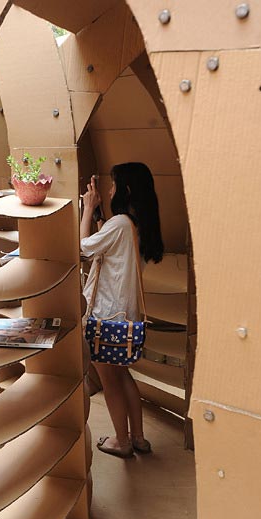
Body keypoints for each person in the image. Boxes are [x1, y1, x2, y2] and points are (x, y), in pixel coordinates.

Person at [81, 162, 164, 459]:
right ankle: (139, 438)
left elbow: (83, 248)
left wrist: (88, 208)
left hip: (106, 316)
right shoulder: (141, 223)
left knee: (110, 381)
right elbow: (113, 252)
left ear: (126, 190)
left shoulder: (120, 224)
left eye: (114, 185)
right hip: (126, 316)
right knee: (124, 375)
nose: (110, 190)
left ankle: (121, 441)